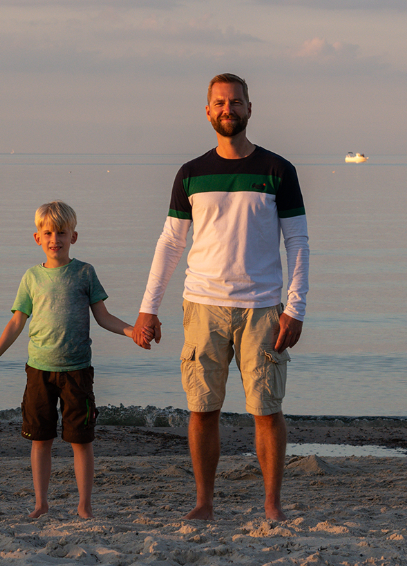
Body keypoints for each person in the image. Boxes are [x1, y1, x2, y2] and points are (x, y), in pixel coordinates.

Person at [131, 73, 309, 521]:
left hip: (264, 309)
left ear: (250, 108)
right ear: (208, 112)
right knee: (202, 408)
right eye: (219, 103)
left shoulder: (278, 171)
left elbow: (298, 242)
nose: (228, 109)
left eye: (236, 102)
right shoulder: (191, 174)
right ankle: (204, 503)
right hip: (202, 305)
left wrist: (295, 307)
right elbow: (171, 243)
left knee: (266, 411)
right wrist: (148, 308)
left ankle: (271, 506)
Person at [0, 201, 137, 519]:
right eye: (48, 232)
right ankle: (40, 503)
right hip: (39, 370)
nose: (55, 239)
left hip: (77, 370)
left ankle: (84, 505)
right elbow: (16, 322)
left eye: (61, 232)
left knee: (81, 440)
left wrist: (132, 332)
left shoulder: (85, 273)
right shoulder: (32, 277)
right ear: (37, 237)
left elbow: (103, 317)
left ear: (73, 236)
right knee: (41, 440)